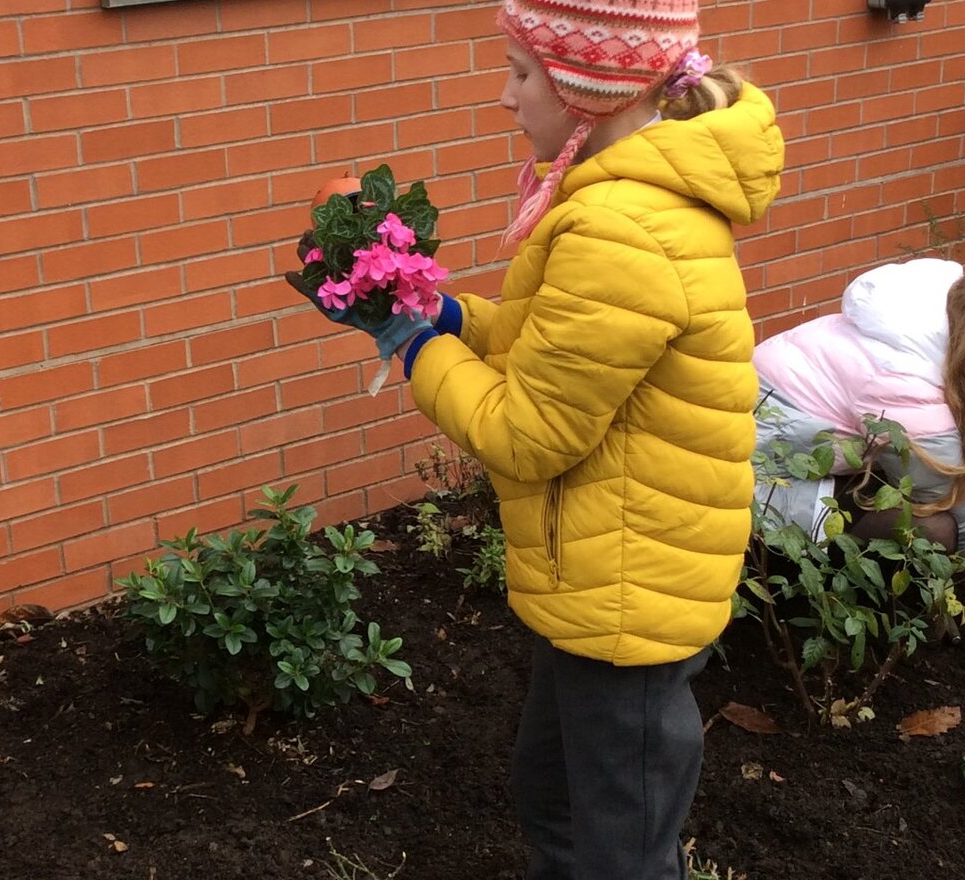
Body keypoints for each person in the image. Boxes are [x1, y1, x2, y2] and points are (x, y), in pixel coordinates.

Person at [285, 1, 784, 877]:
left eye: (521, 73)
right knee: (554, 797)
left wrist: (415, 350)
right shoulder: (616, 203)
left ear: (587, 91)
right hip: (602, 572)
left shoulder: (623, 230)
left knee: (618, 849)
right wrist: (438, 313)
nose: (505, 96)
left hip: (627, 595)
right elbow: (546, 350)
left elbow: (530, 431)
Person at [753, 259, 965, 561]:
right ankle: (830, 585)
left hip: (803, 451)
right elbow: (948, 494)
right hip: (759, 484)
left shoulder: (928, 318)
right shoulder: (902, 378)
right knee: (939, 528)